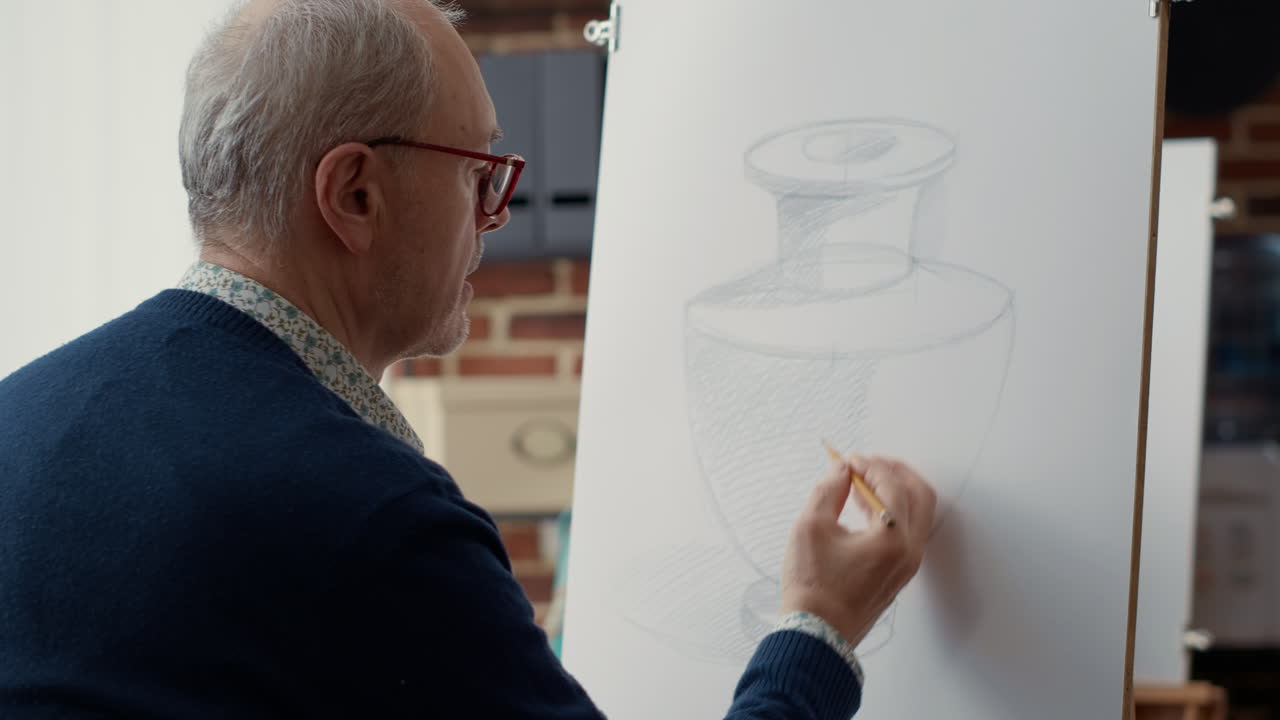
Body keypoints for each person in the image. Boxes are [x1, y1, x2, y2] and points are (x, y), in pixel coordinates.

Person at [0, 0, 937, 717]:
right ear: (356, 194)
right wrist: (818, 625)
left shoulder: (17, 418)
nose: (492, 216)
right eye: (476, 173)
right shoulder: (367, 520)